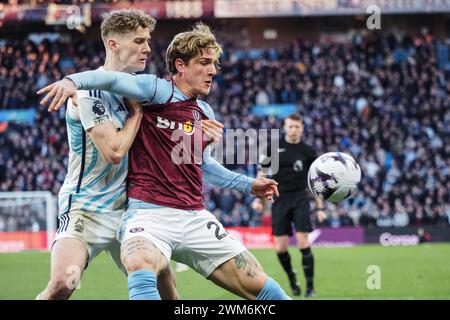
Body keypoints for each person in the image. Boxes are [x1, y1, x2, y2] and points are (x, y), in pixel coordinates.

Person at [38, 23, 290, 300]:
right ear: (180, 65)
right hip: (149, 215)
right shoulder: (156, 89)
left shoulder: (204, 112)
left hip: (195, 216)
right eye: (205, 63)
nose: (213, 71)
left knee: (261, 286)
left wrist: (248, 184)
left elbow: (203, 165)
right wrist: (73, 81)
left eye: (214, 64)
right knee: (138, 263)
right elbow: (111, 81)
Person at [36, 9, 182, 300]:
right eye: (139, 41)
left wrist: (203, 129)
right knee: (64, 283)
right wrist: (136, 115)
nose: (147, 48)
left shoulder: (141, 88)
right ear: (113, 44)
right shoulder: (90, 92)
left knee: (165, 283)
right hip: (85, 209)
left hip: (130, 212)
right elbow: (114, 151)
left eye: (148, 41)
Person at [252, 113, 326, 298]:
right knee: (281, 248)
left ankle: (310, 287)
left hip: (300, 198)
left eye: (297, 127)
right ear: (285, 127)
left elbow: (315, 182)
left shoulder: (308, 151)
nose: (293, 129)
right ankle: (292, 279)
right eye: (290, 126)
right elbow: (262, 174)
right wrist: (258, 199)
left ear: (302, 128)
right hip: (279, 200)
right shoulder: (273, 148)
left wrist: (320, 208)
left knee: (303, 243)